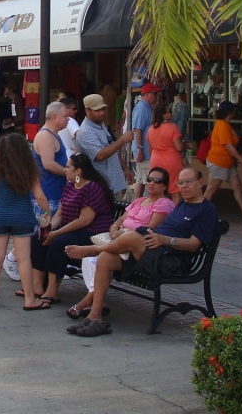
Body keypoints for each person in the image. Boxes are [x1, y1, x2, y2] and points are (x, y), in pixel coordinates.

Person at [64, 167, 219, 337]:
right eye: (180, 183)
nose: (184, 186)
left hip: (170, 261)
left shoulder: (206, 210)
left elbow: (194, 244)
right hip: (154, 251)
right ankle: (96, 316)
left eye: (188, 182)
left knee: (131, 237)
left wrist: (165, 240)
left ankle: (92, 249)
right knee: (106, 258)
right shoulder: (182, 203)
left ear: (200, 182)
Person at [67, 166, 175, 319]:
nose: (151, 183)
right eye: (149, 179)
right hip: (119, 240)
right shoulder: (139, 200)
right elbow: (122, 219)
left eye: (157, 181)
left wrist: (123, 233)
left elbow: (150, 228)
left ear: (164, 185)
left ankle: (88, 300)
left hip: (137, 247)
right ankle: (95, 302)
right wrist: (113, 228)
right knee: (92, 258)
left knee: (97, 253)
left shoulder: (164, 203)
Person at [0, 133, 52, 311]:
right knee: (24, 258)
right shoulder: (28, 169)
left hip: (0, 216)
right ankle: (30, 299)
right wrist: (48, 212)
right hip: (22, 217)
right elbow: (39, 195)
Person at [35, 152, 116, 304]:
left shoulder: (92, 187)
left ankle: (52, 291)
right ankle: (37, 286)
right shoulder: (71, 185)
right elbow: (59, 213)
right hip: (74, 229)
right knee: (38, 238)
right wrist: (49, 228)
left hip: (92, 231)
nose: (65, 170)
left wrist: (56, 234)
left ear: (78, 171)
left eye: (68, 167)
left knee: (59, 243)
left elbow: (85, 220)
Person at [28, 102, 69, 297]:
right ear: (54, 117)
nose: (68, 119)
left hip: (54, 195)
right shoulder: (45, 136)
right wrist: (71, 174)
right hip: (47, 196)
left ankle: (41, 282)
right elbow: (48, 164)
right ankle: (37, 284)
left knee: (47, 237)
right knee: (42, 238)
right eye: (65, 116)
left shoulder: (54, 135)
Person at [204, 101, 242, 220]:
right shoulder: (222, 125)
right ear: (231, 112)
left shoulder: (224, 124)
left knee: (237, 186)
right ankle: (198, 214)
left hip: (227, 162)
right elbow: (229, 146)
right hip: (219, 162)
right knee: (211, 190)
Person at [75, 94, 134, 198]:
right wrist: (123, 140)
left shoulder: (100, 124)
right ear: (87, 111)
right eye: (97, 110)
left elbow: (110, 148)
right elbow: (100, 155)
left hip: (112, 184)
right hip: (99, 187)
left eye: (103, 109)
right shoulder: (86, 131)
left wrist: (125, 168)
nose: (102, 113)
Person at [148, 105, 186, 200]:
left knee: (157, 190)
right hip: (172, 162)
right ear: (163, 115)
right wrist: (187, 145)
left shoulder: (151, 129)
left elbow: (150, 149)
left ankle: (158, 212)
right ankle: (176, 214)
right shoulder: (173, 128)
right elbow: (179, 147)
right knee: (175, 191)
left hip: (156, 161)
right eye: (169, 111)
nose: (171, 113)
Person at [130, 83, 160, 198]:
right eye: (155, 93)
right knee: (148, 179)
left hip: (145, 150)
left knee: (141, 179)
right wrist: (140, 148)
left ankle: (136, 203)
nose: (156, 96)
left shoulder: (147, 107)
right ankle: (146, 204)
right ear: (147, 94)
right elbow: (138, 130)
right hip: (144, 151)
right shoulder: (142, 107)